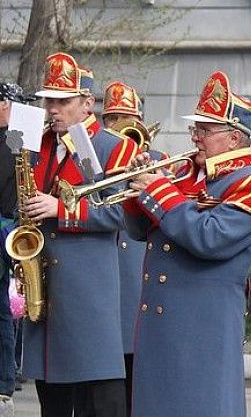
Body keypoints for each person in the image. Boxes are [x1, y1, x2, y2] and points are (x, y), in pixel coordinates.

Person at [123, 70, 251, 416]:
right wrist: (136, 188)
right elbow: (140, 230)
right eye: (196, 129)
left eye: (205, 130)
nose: (196, 138)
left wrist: (159, 191)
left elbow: (209, 238)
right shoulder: (185, 175)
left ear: (234, 138)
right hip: (162, 321)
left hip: (202, 325)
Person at [23, 52, 136, 417]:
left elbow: (119, 212)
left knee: (97, 390)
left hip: (88, 285)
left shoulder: (114, 146)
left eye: (63, 101)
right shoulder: (37, 146)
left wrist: (61, 210)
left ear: (87, 104)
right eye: (49, 101)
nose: (53, 109)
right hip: (46, 278)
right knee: (51, 391)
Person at [101, 80, 160, 416]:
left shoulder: (158, 159)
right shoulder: (93, 160)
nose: (118, 125)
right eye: (111, 118)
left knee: (136, 367)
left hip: (137, 274)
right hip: (108, 273)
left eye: (125, 116)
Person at [0, 83, 34, 416]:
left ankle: (7, 378)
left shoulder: (17, 135)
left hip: (8, 226)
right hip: (9, 225)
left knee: (7, 306)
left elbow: (12, 176)